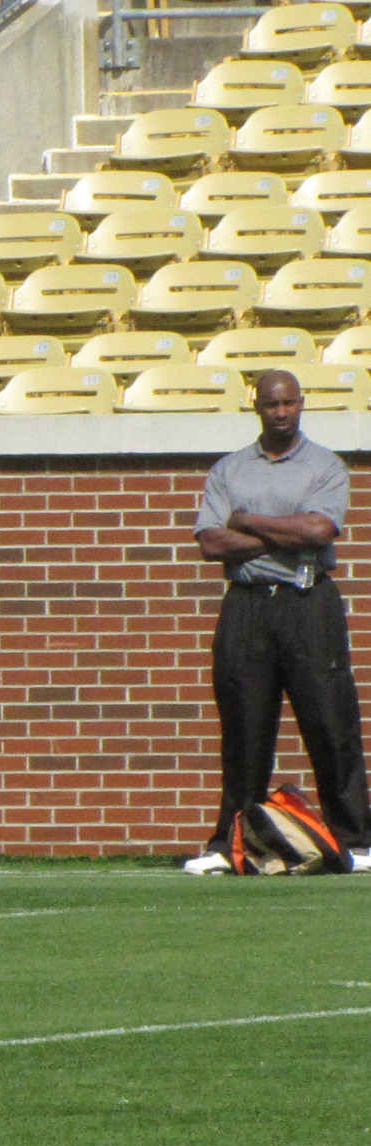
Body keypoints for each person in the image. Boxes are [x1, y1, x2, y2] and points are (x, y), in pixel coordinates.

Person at [186, 367, 371, 874]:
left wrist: (246, 521)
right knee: (244, 728)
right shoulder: (229, 470)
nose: (282, 413)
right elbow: (210, 542)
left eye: (289, 403)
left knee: (331, 723)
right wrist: (281, 536)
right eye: (272, 405)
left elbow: (320, 529)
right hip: (246, 604)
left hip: (308, 601)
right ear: (257, 407)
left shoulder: (325, 466)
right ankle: (233, 844)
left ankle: (355, 839)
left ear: (301, 403)